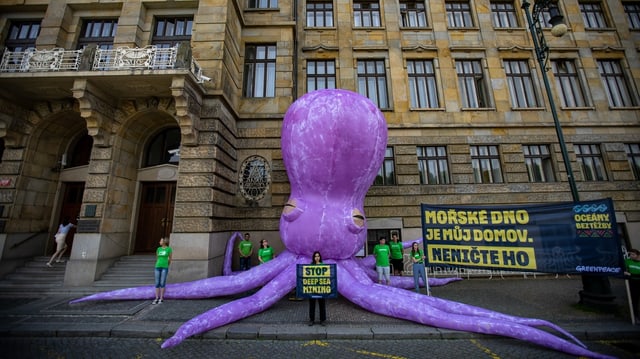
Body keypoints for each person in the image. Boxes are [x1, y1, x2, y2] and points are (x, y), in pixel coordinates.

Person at [308, 251, 327, 326]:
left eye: (318, 256)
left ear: (320, 257)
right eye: (315, 256)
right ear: (313, 257)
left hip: (321, 288)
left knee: (322, 304)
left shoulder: (323, 265)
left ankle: (322, 320)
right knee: (312, 304)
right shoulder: (311, 265)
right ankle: (311, 319)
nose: (317, 257)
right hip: (312, 288)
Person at [153, 237, 172, 304]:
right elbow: (157, 258)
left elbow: (170, 259)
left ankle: (161, 298)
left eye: (160, 241)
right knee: (157, 282)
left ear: (164, 242)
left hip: (165, 267)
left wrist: (167, 265)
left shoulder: (169, 249)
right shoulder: (158, 249)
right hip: (157, 267)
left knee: (162, 282)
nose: (159, 242)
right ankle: (156, 298)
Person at [624, 248, 640, 323]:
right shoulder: (628, 261)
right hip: (633, 283)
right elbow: (625, 270)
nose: (631, 256)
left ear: (638, 255)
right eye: (630, 254)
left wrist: (631, 274)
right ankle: (636, 316)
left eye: (633, 254)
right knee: (634, 300)